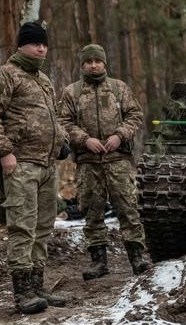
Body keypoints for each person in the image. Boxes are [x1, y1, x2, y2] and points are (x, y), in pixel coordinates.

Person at [0, 21, 70, 315]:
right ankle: (22, 291)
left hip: (46, 165)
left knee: (43, 226)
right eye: (34, 43)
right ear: (21, 45)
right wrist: (5, 153)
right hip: (22, 165)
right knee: (22, 226)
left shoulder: (43, 79)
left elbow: (51, 118)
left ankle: (37, 283)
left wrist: (62, 141)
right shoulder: (5, 75)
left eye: (44, 43)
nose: (41, 48)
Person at [58, 44, 152, 281]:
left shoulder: (119, 88)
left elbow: (135, 115)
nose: (93, 65)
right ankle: (98, 261)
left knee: (128, 208)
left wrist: (119, 135)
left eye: (97, 61)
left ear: (104, 63)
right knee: (92, 211)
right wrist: (84, 139)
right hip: (88, 162)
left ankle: (138, 257)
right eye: (88, 61)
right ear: (82, 65)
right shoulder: (73, 92)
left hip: (118, 159)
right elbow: (63, 122)